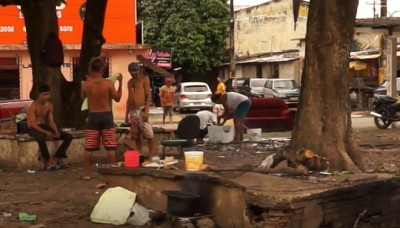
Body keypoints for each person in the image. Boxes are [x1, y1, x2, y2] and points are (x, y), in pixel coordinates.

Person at [81, 57, 123, 180]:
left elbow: (82, 98)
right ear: (102, 68)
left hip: (93, 115)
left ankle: (87, 173)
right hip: (106, 115)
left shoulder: (86, 84)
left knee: (89, 147)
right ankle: (111, 172)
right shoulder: (108, 84)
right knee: (110, 146)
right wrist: (120, 83)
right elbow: (117, 98)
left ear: (90, 68)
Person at [27, 85, 73, 171]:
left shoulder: (49, 105)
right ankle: (47, 160)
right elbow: (32, 124)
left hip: (44, 126)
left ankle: (56, 157)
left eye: (47, 94)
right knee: (41, 139)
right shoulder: (33, 106)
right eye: (44, 94)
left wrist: (55, 130)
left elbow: (51, 121)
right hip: (34, 128)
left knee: (68, 136)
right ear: (39, 94)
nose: (46, 97)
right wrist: (45, 132)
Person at [125, 62, 154, 163]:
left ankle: (150, 156)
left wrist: (146, 111)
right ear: (129, 71)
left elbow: (149, 96)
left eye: (135, 70)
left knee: (149, 135)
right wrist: (126, 115)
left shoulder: (144, 79)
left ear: (139, 70)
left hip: (142, 110)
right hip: (133, 112)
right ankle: (139, 156)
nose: (134, 72)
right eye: (132, 71)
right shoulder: (129, 82)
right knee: (136, 136)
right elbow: (129, 98)